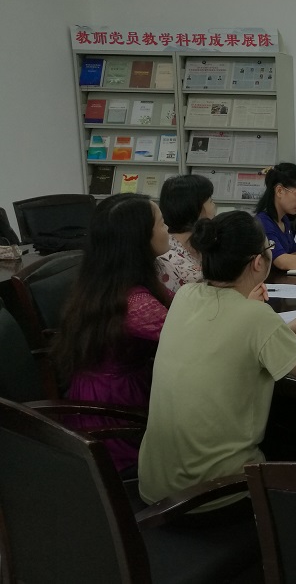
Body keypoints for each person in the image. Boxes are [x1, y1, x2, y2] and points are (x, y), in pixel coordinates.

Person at [138, 210, 296, 513]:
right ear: (258, 262)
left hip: (155, 490)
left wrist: (281, 332)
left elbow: (224, 338)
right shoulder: (256, 316)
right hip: (216, 495)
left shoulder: (186, 295)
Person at [52, 193, 172, 473]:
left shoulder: (108, 282)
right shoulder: (134, 303)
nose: (168, 229)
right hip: (115, 411)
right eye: (161, 223)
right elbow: (189, 336)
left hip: (114, 391)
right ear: (139, 239)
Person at [156, 174, 216, 294]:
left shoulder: (202, 241)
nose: (214, 205)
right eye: (210, 200)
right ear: (197, 207)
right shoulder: (168, 256)